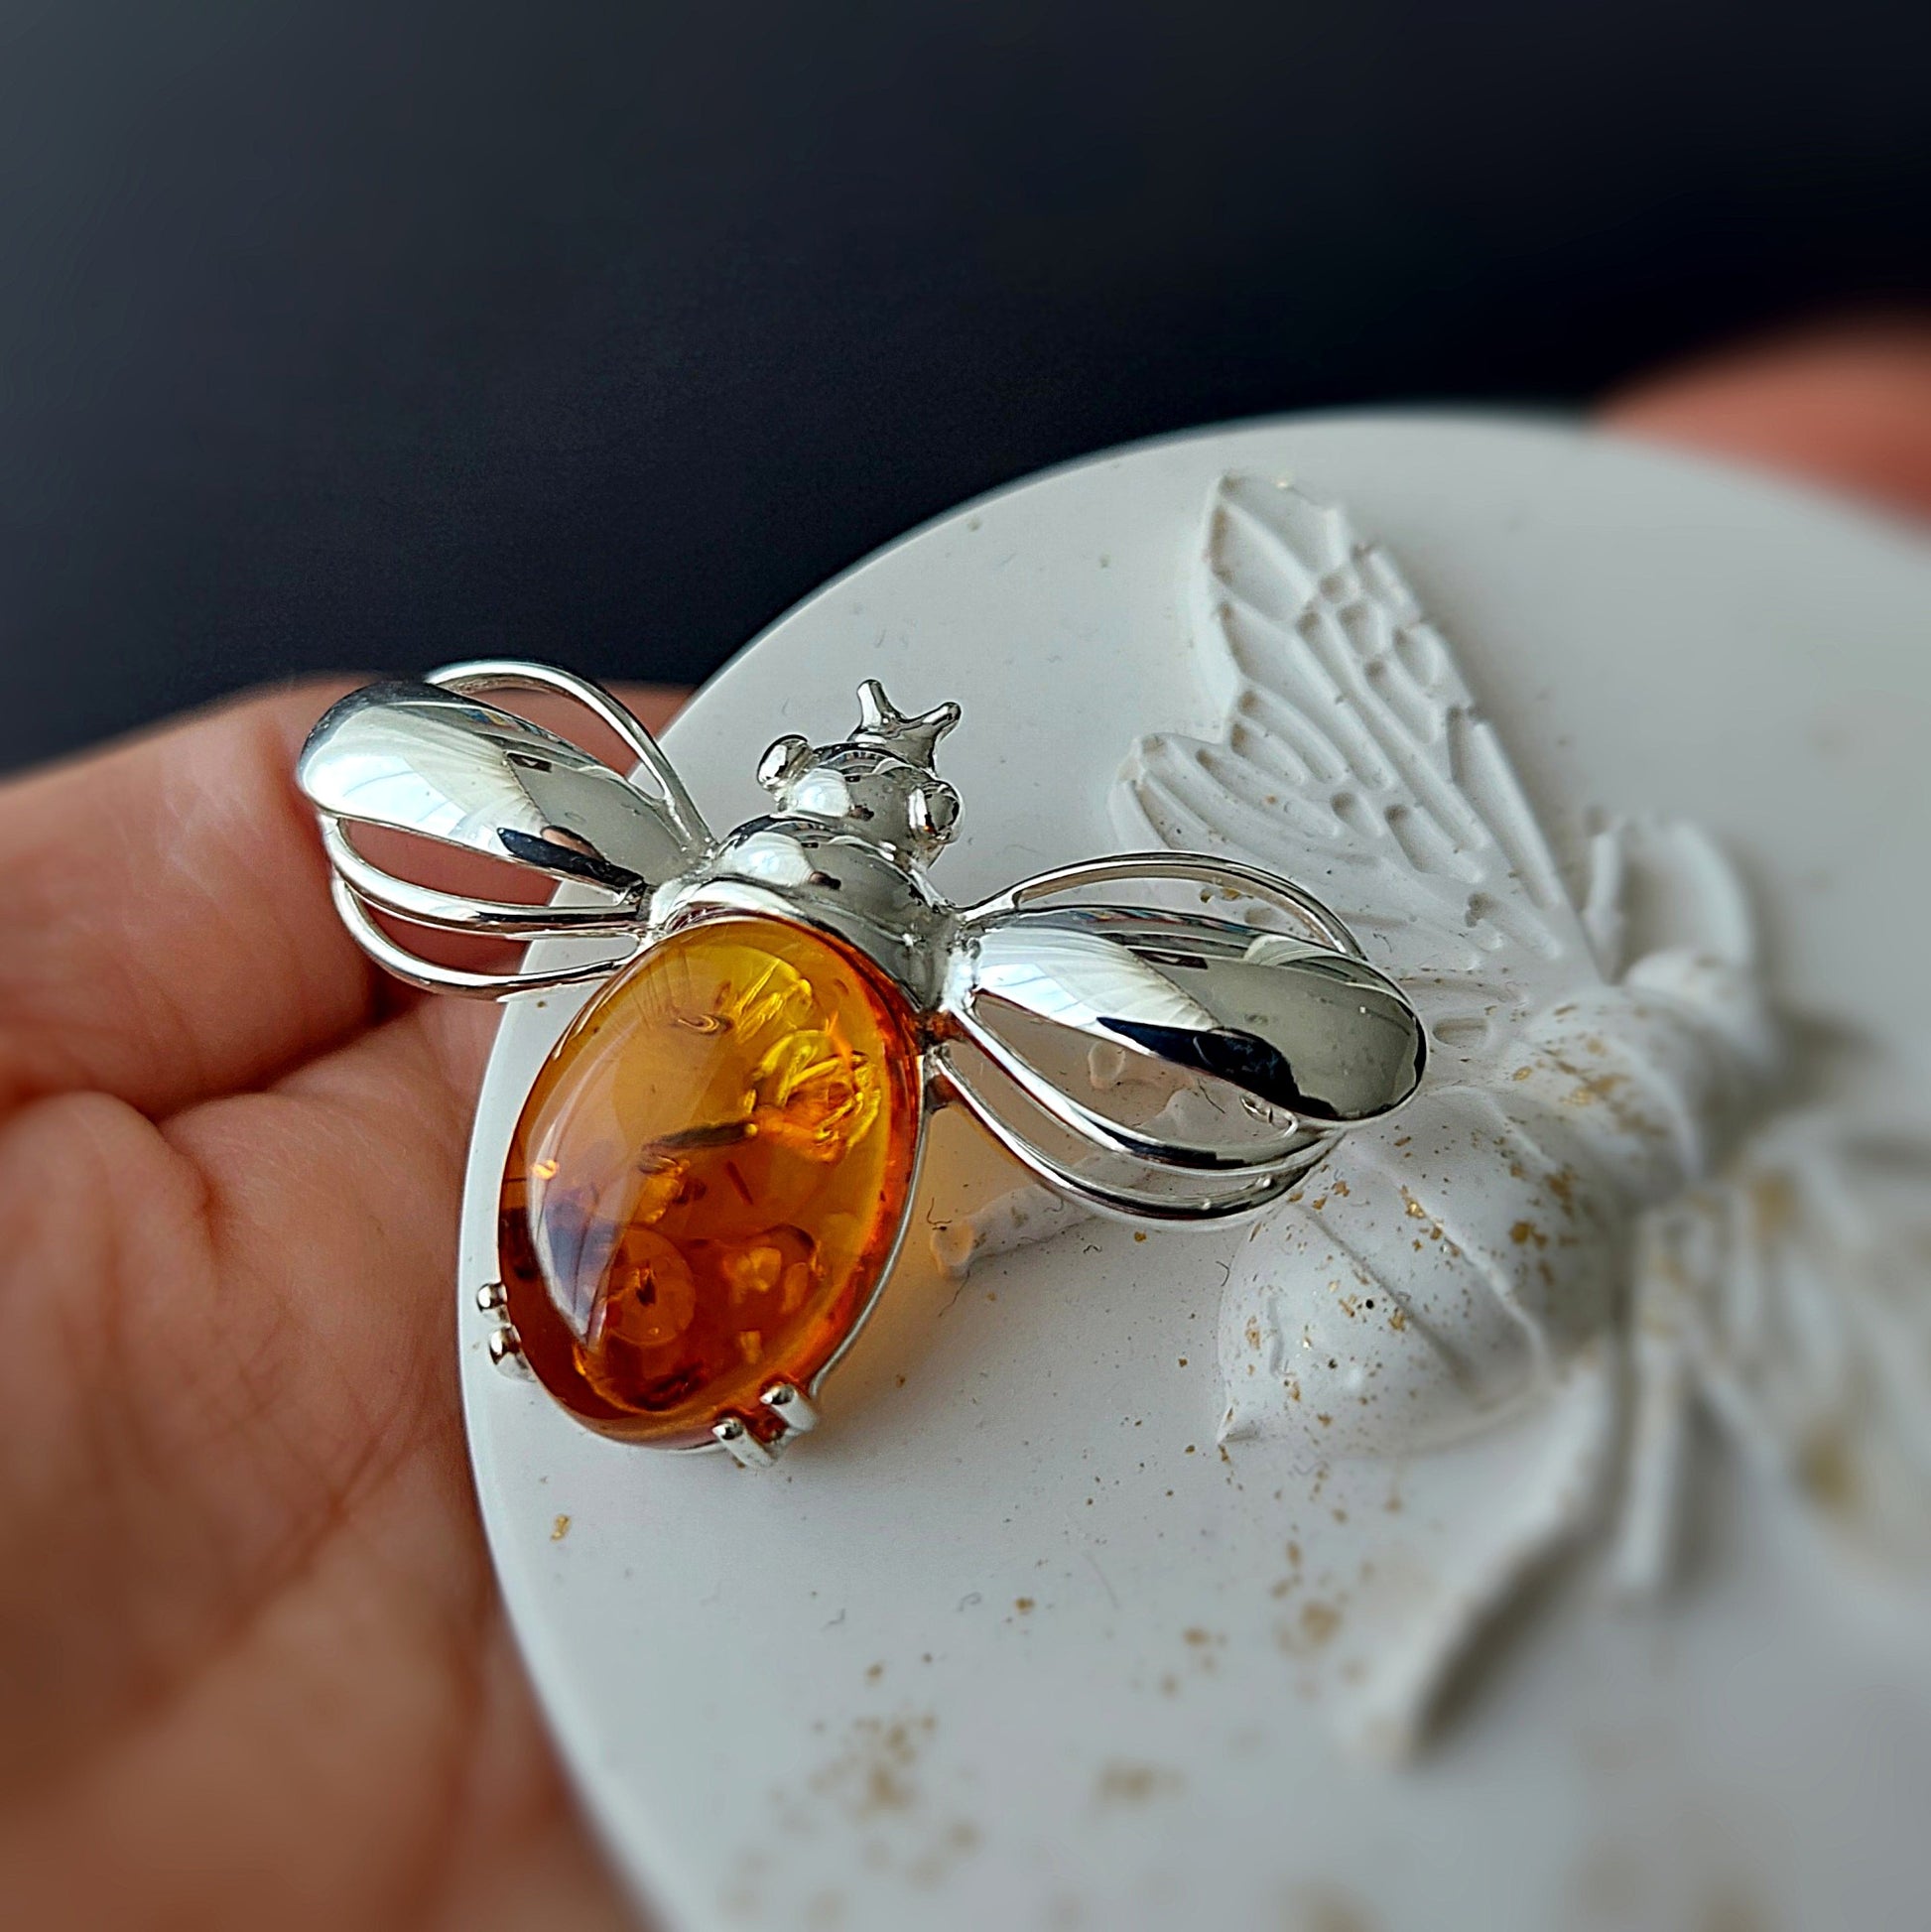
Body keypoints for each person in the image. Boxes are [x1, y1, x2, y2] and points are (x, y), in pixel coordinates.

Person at [0, 323, 1925, 1928]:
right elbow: (1336, 1038)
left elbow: (361, 762)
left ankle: (678, 1334)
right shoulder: (958, 990)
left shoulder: (805, 954)